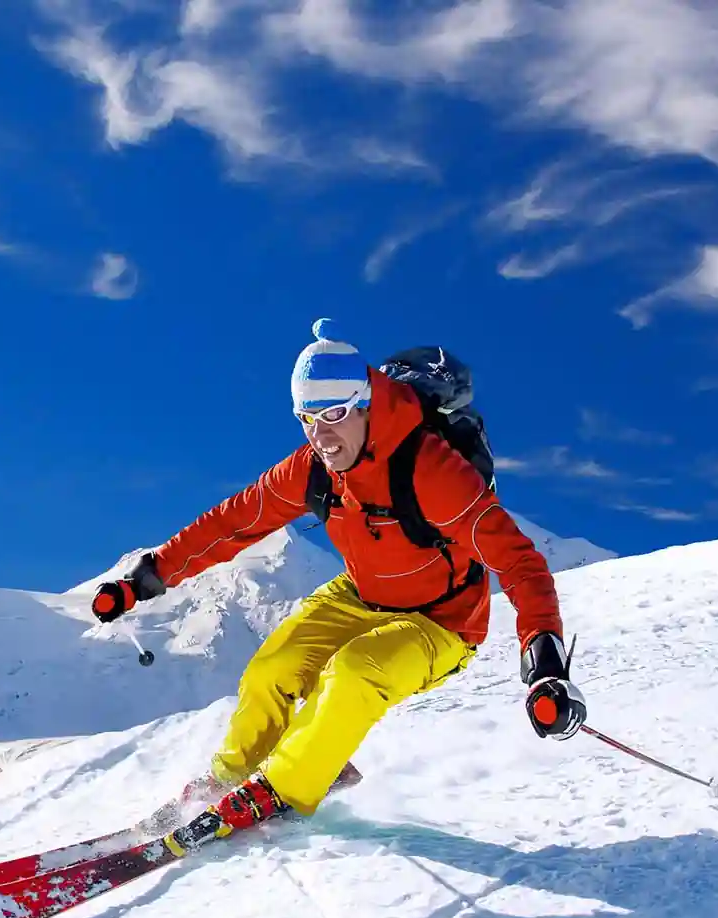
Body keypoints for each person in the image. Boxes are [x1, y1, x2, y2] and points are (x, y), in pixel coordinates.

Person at [91, 320, 587, 854]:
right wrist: (146, 578)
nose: (322, 436)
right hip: (360, 595)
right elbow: (233, 522)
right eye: (308, 420)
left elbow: (519, 562)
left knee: (354, 673)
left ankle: (283, 789)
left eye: (334, 416)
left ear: (366, 404)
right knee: (271, 670)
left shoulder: (430, 469)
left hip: (442, 621)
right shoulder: (313, 470)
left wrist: (545, 665)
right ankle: (229, 780)